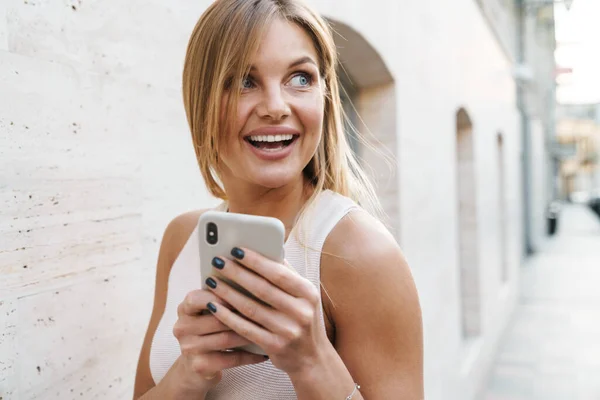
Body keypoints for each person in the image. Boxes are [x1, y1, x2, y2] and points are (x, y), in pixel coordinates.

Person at [133, 0, 423, 398]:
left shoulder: (362, 252)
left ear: (324, 95)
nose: (275, 107)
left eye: (300, 78)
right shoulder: (182, 237)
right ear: (201, 100)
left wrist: (311, 360)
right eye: (243, 81)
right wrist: (190, 372)